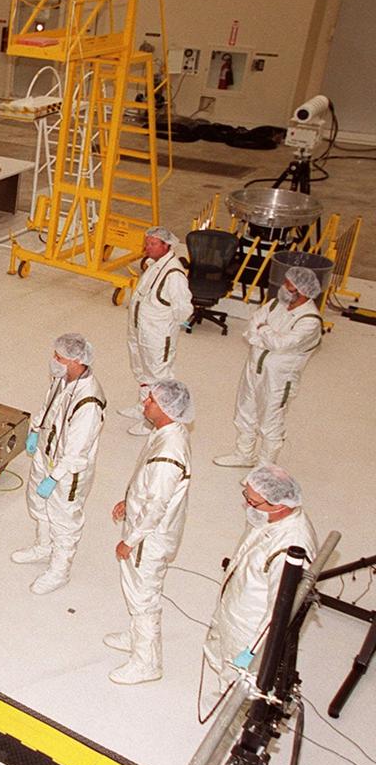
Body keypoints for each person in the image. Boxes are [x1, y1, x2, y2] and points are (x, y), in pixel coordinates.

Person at [203, 466, 317, 700]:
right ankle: (224, 693)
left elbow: (279, 612)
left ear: (279, 505)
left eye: (253, 502)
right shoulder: (269, 519)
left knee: (241, 691)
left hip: (248, 630)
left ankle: (229, 728)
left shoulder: (291, 550)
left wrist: (251, 653)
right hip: (235, 608)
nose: (247, 505)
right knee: (220, 660)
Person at [106, 379, 193, 685]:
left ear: (168, 408)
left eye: (152, 401)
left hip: (149, 539)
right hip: (146, 527)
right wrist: (129, 502)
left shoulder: (169, 454)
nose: (145, 403)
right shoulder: (166, 433)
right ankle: (136, 636)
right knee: (137, 591)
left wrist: (129, 541)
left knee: (144, 596)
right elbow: (149, 486)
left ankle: (146, 662)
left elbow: (156, 506)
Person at [12, 332, 106, 594]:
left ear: (76, 360)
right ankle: (43, 546)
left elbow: (77, 450)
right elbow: (48, 405)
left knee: (64, 519)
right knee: (39, 504)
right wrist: (35, 429)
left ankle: (59, 570)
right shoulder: (62, 379)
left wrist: (55, 477)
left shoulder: (88, 401)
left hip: (67, 471)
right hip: (46, 452)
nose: (54, 360)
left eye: (59, 357)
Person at [213, 266, 323, 467]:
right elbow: (252, 326)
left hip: (279, 378)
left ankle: (264, 468)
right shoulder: (275, 305)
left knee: (270, 421)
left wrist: (263, 330)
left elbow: (281, 344)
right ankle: (244, 454)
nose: (283, 288)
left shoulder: (310, 321)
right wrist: (266, 334)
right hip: (254, 367)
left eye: (288, 286)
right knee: (245, 410)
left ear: (303, 291)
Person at [118, 227, 192, 436]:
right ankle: (143, 405)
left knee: (158, 376)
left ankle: (152, 421)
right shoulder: (154, 265)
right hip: (140, 330)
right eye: (147, 242)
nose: (147, 247)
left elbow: (184, 309)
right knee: (141, 370)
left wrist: (165, 326)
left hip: (158, 335)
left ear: (166, 246)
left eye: (152, 244)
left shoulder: (174, 274)